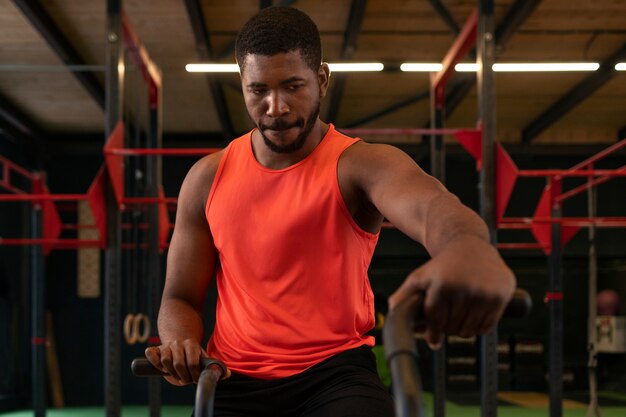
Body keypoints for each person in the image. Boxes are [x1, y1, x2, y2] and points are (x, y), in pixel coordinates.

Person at [145, 6, 516, 416]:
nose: (276, 107)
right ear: (242, 85)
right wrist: (179, 340)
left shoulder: (359, 165)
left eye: (292, 86)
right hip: (233, 378)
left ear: (322, 78)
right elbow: (179, 296)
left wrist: (468, 248)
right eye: (259, 90)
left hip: (335, 377)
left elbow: (431, 205)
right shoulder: (206, 178)